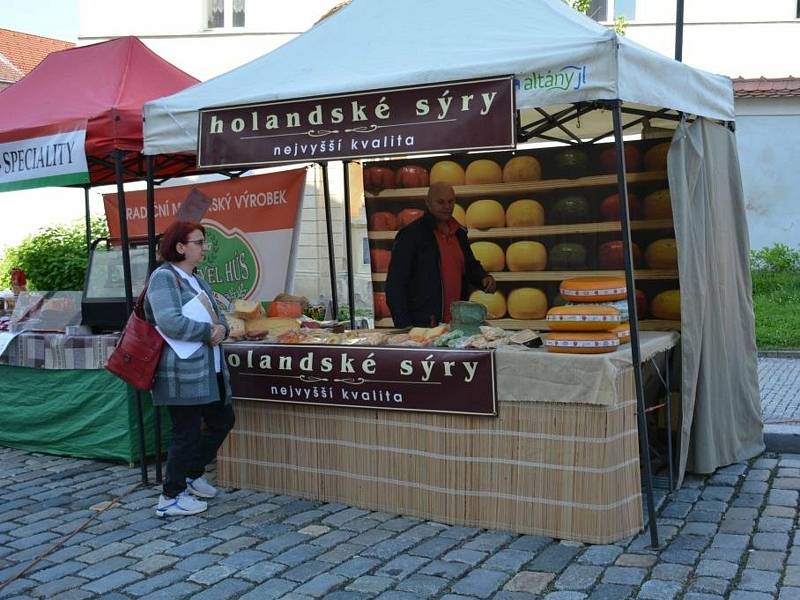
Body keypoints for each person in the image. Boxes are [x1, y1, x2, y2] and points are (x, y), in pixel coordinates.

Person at [144, 221, 235, 517]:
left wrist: (222, 327)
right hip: (181, 371)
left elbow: (220, 315)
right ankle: (170, 497)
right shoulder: (164, 278)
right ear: (181, 247)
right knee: (186, 433)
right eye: (199, 242)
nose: (204, 248)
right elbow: (169, 321)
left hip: (210, 367)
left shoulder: (196, 278)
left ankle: (192, 474)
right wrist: (208, 331)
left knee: (222, 420)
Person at [386, 181, 496, 327]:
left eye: (451, 202)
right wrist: (404, 326)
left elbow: (469, 265)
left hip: (455, 324)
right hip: (422, 325)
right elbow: (395, 285)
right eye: (441, 202)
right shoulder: (410, 236)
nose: (447, 207)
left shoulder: (459, 233)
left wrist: (483, 277)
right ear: (428, 203)